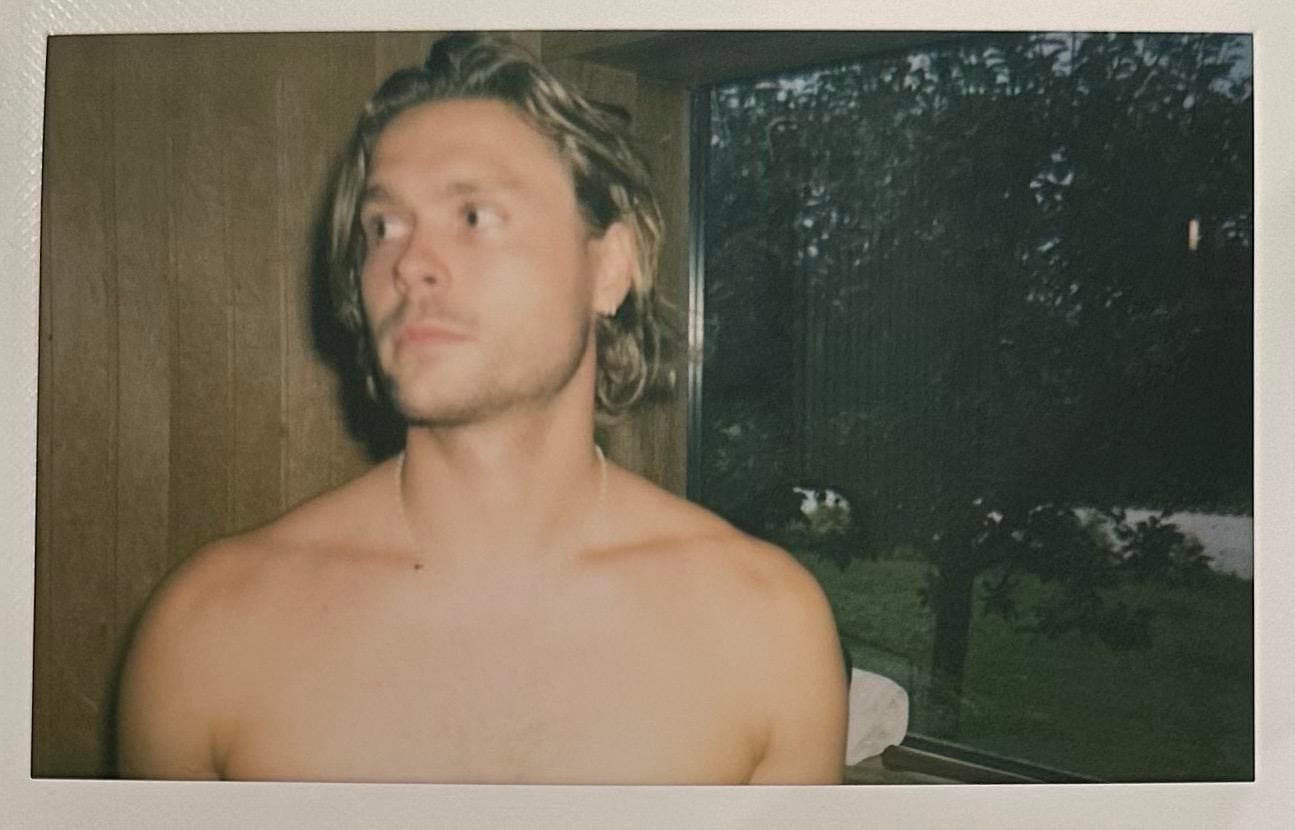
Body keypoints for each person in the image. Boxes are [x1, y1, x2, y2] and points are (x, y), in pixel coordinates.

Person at [116, 32, 847, 785]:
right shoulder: (210, 630)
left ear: (608, 269)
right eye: (382, 227)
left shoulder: (766, 629)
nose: (408, 263)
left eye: (473, 216)